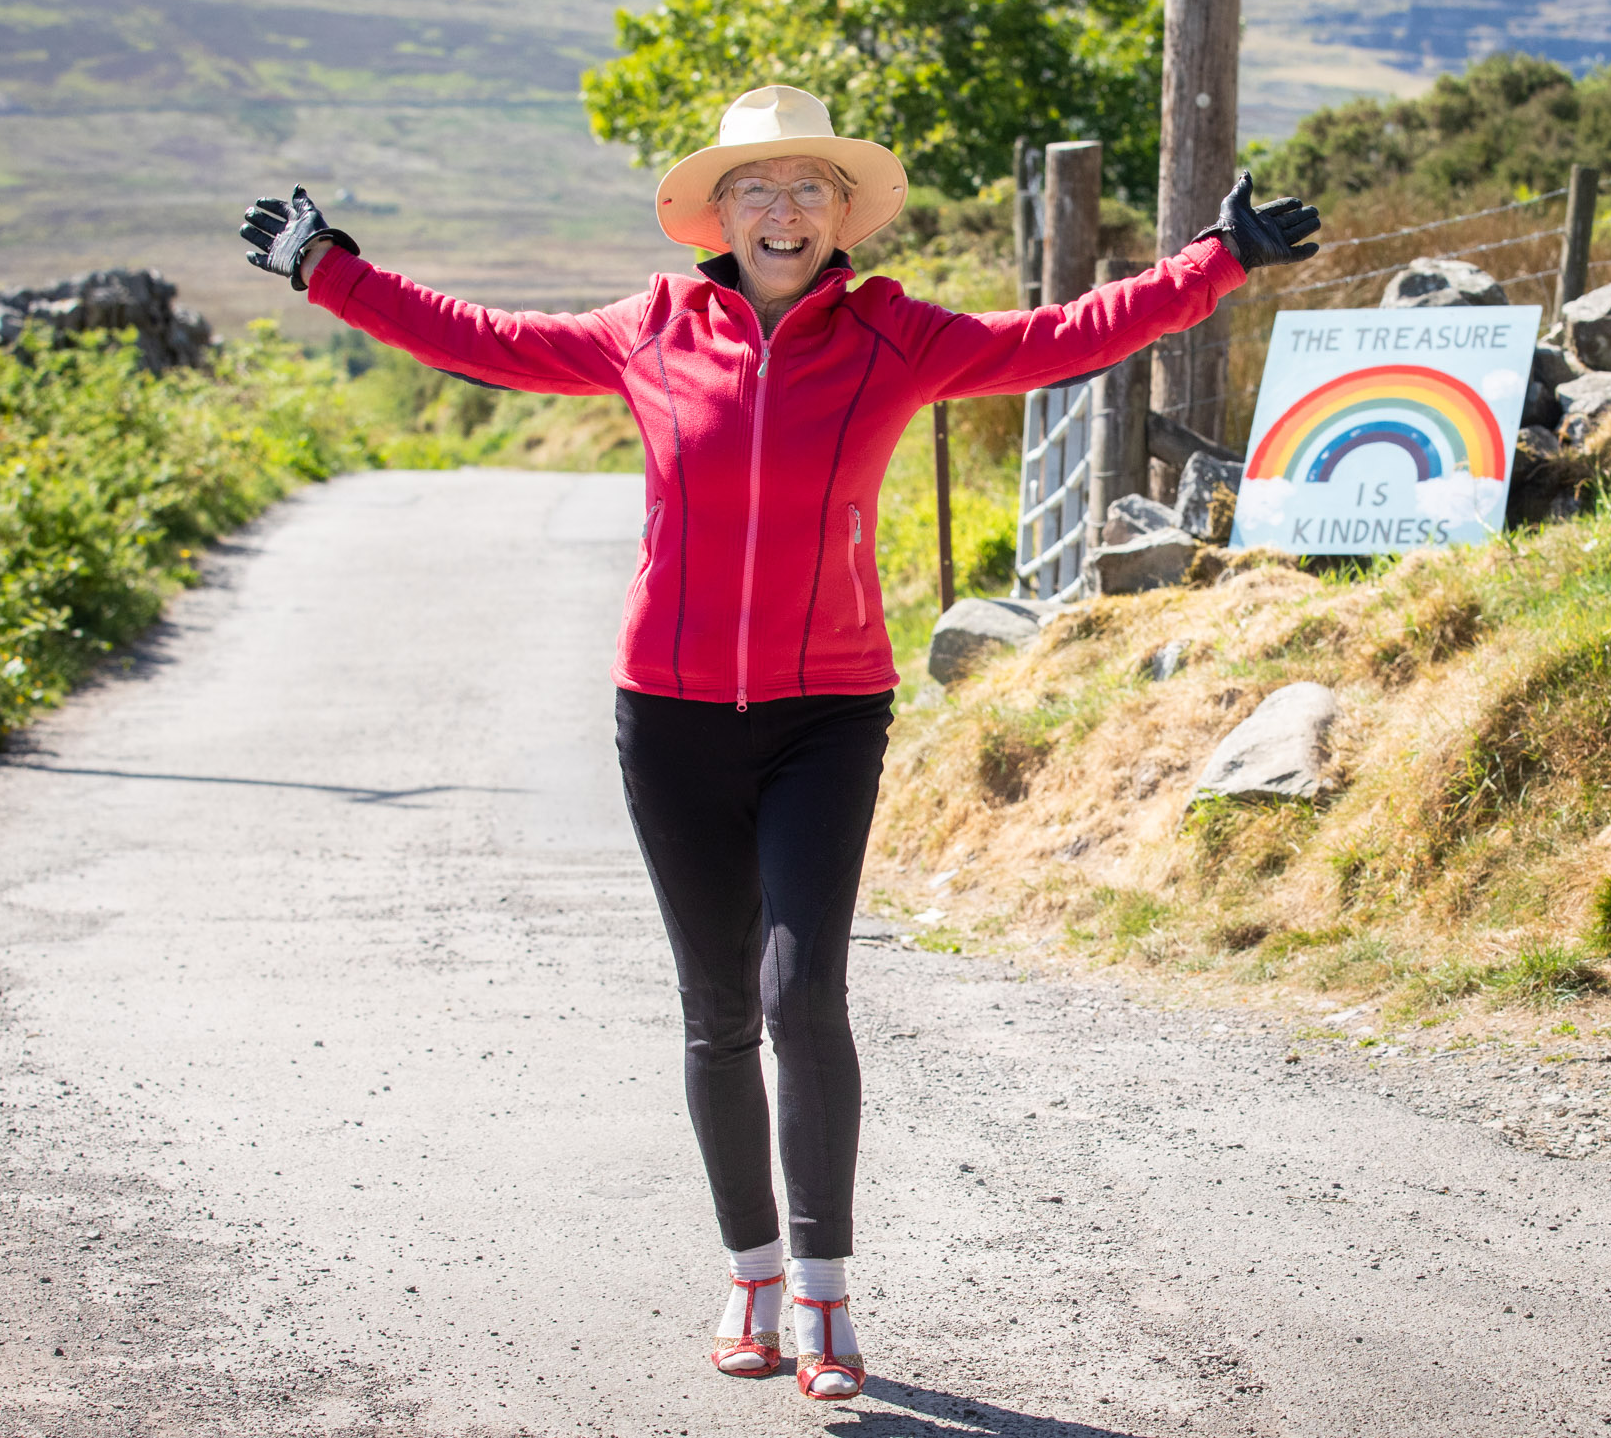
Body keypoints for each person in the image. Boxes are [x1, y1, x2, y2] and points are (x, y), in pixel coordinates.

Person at [236, 84, 1320, 1401]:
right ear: (720, 213)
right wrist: (332, 274)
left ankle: (821, 1296)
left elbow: (1063, 335)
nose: (782, 209)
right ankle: (746, 1270)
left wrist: (1214, 264)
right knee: (712, 1014)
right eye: (756, 188)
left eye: (807, 187)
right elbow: (486, 341)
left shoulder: (894, 336)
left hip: (826, 714)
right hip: (671, 717)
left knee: (798, 992)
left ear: (839, 211)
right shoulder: (649, 329)